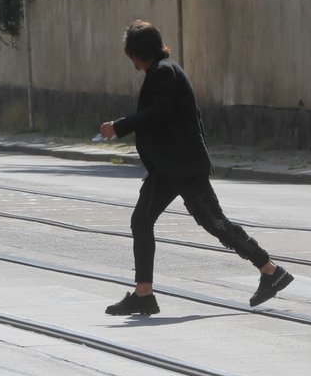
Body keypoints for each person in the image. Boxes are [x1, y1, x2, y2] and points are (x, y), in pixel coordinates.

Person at [99, 20, 294, 315]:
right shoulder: (162, 71)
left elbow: (160, 112)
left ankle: (270, 270)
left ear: (138, 53)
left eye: (132, 55)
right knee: (143, 221)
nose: (132, 62)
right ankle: (143, 293)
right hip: (168, 169)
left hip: (182, 168)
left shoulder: (164, 72)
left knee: (216, 224)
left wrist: (120, 126)